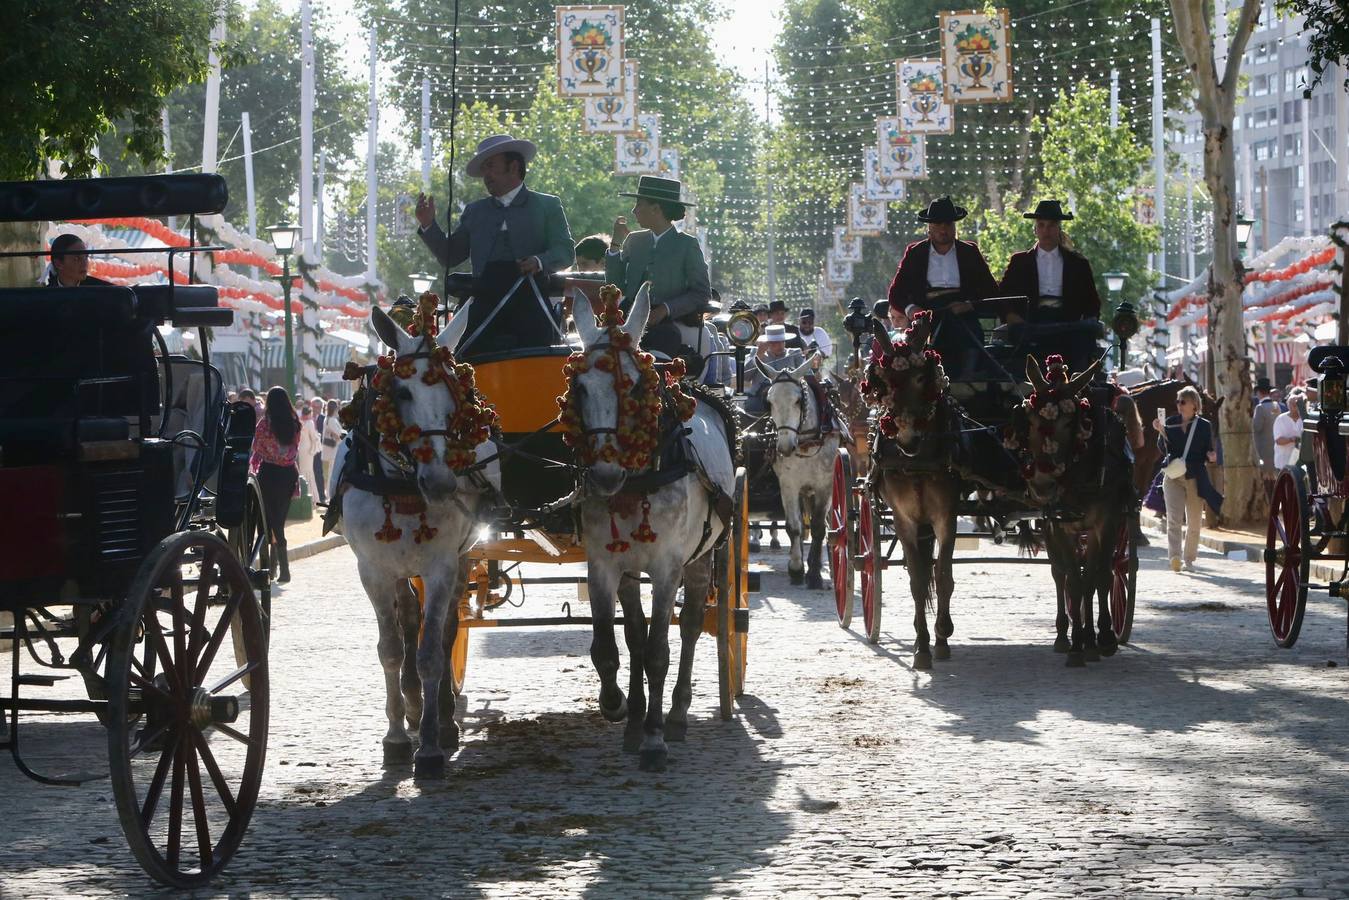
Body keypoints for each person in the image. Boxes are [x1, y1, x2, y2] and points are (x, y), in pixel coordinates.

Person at [415, 134, 574, 355]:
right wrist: (428, 225)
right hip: (484, 302)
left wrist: (539, 261)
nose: (486, 175)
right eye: (483, 170)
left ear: (514, 167)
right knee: (460, 356)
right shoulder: (475, 211)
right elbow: (451, 256)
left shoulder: (547, 205)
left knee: (541, 353)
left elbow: (565, 252)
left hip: (530, 300)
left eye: (491, 166)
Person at [886, 196, 998, 378]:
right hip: (927, 317)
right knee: (919, 345)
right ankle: (927, 378)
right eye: (938, 224)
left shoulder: (969, 252)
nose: (943, 229)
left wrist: (970, 305)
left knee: (970, 333)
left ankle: (968, 377)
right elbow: (896, 293)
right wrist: (912, 309)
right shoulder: (916, 253)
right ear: (929, 228)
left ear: (955, 226)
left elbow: (991, 291)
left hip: (962, 315)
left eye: (947, 224)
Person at [606, 175, 712, 363]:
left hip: (666, 323)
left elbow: (701, 292)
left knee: (664, 338)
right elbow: (615, 285)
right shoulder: (634, 240)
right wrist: (615, 244)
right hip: (628, 316)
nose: (634, 210)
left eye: (639, 204)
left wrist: (665, 309)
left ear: (656, 209)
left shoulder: (687, 245)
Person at [997, 199, 1103, 373]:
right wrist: (1010, 315)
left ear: (1059, 228)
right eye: (1041, 225)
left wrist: (1088, 319)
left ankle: (1077, 387)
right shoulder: (1020, 261)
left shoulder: (1077, 263)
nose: (1046, 230)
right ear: (1035, 229)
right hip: (1032, 321)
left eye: (1051, 225)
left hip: (1067, 321)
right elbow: (1003, 295)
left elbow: (1092, 302)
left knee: (1084, 335)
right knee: (1020, 340)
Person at [1154, 385, 1222, 573]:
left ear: (1194, 405)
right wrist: (1160, 431)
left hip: (1194, 476)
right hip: (1173, 475)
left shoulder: (1204, 426)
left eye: (1183, 402)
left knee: (1193, 522)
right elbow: (1163, 449)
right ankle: (1174, 557)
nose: (1179, 405)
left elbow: (1208, 450)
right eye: (1178, 402)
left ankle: (1189, 559)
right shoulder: (1170, 422)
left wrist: (1211, 455)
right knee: (1174, 520)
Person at [250, 387, 301, 583]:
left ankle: (273, 569)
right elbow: (295, 446)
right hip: (289, 474)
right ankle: (278, 568)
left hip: (269, 474)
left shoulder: (264, 424)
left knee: (268, 521)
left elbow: (257, 446)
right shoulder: (295, 423)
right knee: (279, 519)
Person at [45, 233, 112, 287]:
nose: (84, 263)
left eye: (86, 257)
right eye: (77, 258)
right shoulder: (46, 296)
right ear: (58, 264)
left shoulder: (102, 290)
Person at [1252, 376, 1280, 480]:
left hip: (1262, 450)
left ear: (1259, 392)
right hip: (1275, 448)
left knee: (1264, 480)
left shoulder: (1260, 408)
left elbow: (1257, 427)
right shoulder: (1276, 405)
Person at [1272, 389, 1304, 471]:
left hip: (1301, 463)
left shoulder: (1304, 419)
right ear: (1288, 405)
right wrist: (1292, 439)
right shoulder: (1280, 419)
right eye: (1292, 404)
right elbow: (1278, 440)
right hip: (1283, 462)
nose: (1294, 406)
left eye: (1296, 404)